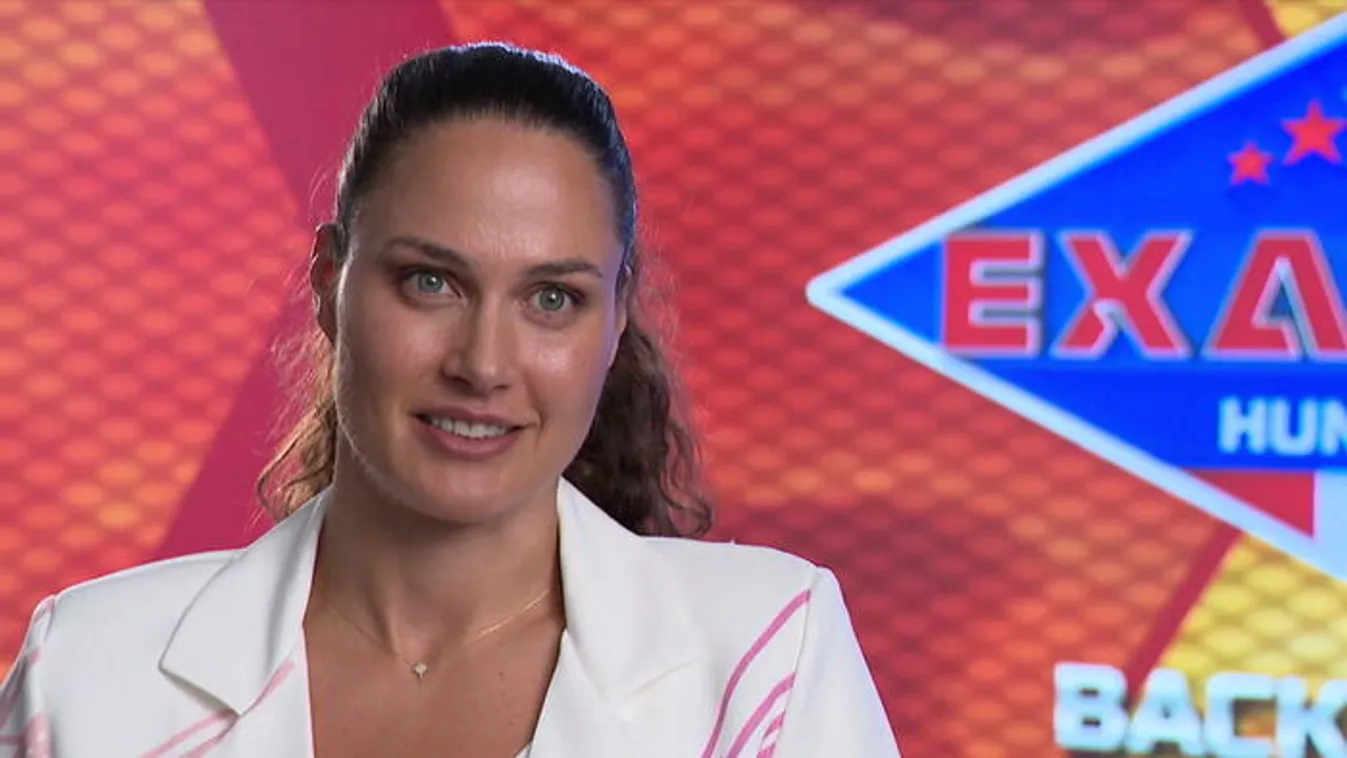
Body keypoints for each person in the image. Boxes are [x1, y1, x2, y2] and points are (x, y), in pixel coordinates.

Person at [0, 43, 901, 757]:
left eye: (552, 299)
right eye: (430, 282)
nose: (483, 363)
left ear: (616, 316)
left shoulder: (766, 660)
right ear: (328, 284)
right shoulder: (88, 671)